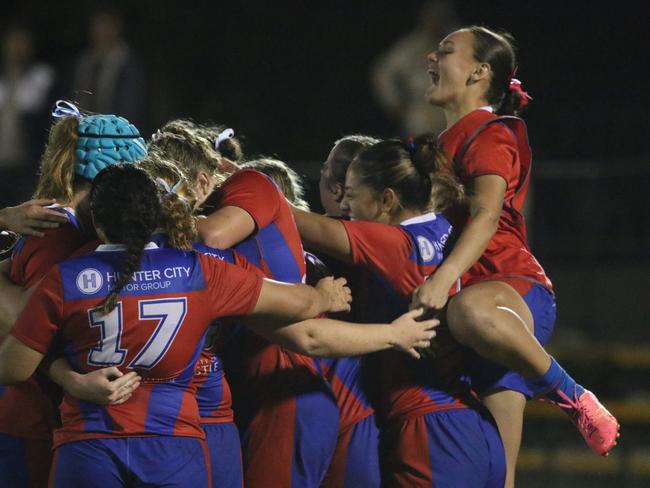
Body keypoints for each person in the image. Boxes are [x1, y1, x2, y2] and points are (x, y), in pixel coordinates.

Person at [0, 164, 437, 487]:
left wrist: (70, 379)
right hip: (177, 446)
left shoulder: (69, 275)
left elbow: (15, 366)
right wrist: (324, 296)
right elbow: (301, 315)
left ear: (96, 222)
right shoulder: (201, 270)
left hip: (90, 444)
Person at [411, 25, 619, 486]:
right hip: (461, 309)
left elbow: (485, 215)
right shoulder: (427, 147)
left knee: (470, 312)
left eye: (446, 51)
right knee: (498, 477)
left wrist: (444, 278)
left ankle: (572, 395)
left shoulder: (491, 132)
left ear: (479, 73)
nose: (430, 56)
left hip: (506, 298)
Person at [292, 136, 506, 487]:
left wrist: (240, 183)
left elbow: (296, 221)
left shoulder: (393, 242)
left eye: (352, 194)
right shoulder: (450, 230)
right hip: (474, 422)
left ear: (387, 200)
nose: (346, 206)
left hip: (431, 430)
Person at [0, 101, 146, 488]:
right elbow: (20, 328)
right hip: (34, 416)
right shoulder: (60, 233)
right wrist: (70, 380)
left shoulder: (69, 225)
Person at [371, 1, 458, 137]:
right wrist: (394, 102)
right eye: (432, 18)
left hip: (452, 111)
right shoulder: (412, 46)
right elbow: (383, 72)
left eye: (440, 17)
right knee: (421, 153)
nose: (435, 22)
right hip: (421, 112)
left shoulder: (460, 42)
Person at [0, 24, 56, 208]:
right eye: (13, 42)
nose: (17, 49)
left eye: (22, 43)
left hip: (28, 165)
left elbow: (48, 122)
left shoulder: (42, 78)